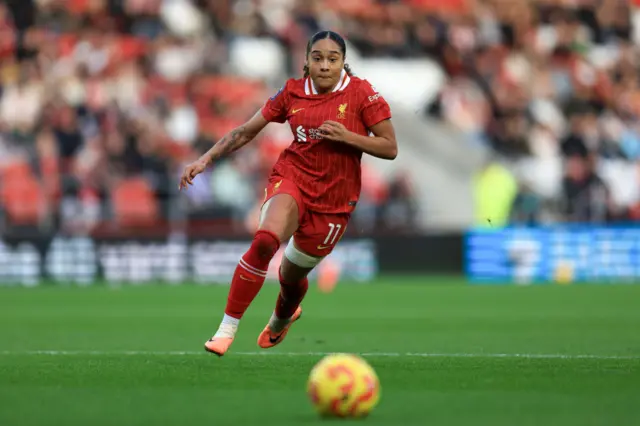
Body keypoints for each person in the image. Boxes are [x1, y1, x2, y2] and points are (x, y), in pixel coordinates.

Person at [179, 30, 398, 356]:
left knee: (291, 276)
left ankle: (283, 316)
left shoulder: (362, 94)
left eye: (332, 59)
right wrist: (205, 158)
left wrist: (349, 137)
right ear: (306, 62)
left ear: (343, 63)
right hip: (293, 177)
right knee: (266, 239)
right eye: (317, 58)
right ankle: (226, 328)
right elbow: (245, 132)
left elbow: (390, 147)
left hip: (334, 201)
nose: (324, 65)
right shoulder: (293, 92)